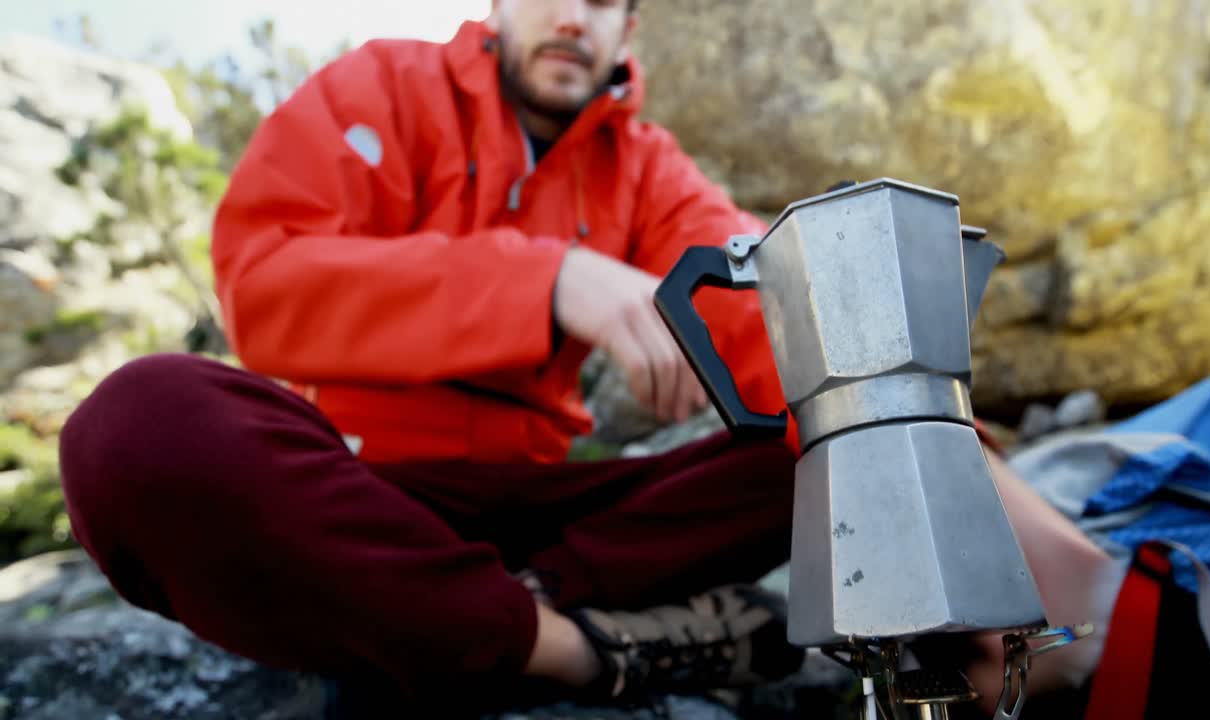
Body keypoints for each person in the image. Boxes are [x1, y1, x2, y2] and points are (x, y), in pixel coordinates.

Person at [55, 0, 1120, 716]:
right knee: (138, 424)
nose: (572, 15)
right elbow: (266, 285)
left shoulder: (645, 166)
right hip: (356, 490)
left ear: (627, 23)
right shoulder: (374, 91)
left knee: (810, 450)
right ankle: (575, 649)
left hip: (551, 517)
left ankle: (508, 605)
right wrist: (547, 279)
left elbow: (783, 313)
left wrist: (959, 484)